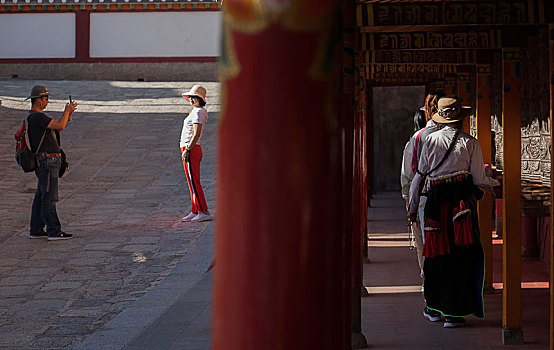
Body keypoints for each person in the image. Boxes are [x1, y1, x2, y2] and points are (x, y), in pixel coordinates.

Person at [408, 97, 499, 328]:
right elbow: (479, 179)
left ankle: (434, 308)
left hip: (435, 209)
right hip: (462, 210)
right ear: (461, 119)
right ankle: (454, 312)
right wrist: (494, 183)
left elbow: (419, 176)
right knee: (463, 258)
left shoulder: (429, 141)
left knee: (436, 256)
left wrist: (412, 206)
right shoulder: (471, 143)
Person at [400, 93, 442, 278]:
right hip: (455, 201)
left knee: (424, 245)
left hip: (424, 198)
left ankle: (429, 286)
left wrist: (409, 201)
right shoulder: (463, 139)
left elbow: (408, 175)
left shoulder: (417, 139)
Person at [27, 85, 77, 240]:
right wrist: (67, 112)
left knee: (41, 195)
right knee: (49, 196)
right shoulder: (37, 117)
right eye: (46, 98)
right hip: (47, 161)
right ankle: (54, 230)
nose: (47, 101)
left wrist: (67, 115)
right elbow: (59, 125)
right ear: (39, 100)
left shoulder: (35, 118)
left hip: (45, 161)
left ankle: (36, 229)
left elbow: (57, 129)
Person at [180, 85, 212, 222]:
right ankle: (195, 210)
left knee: (194, 181)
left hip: (191, 149)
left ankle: (204, 211)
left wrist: (188, 149)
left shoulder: (199, 112)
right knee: (191, 181)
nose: (191, 99)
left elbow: (196, 133)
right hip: (188, 148)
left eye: (194, 97)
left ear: (200, 98)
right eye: (190, 97)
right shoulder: (196, 111)